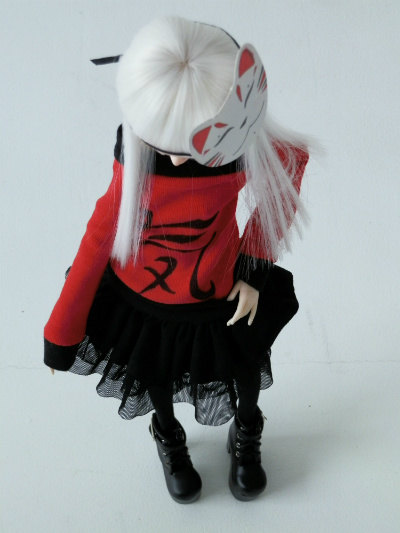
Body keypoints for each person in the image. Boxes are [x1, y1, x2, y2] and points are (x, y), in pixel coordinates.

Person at [43, 16, 311, 503]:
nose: (180, 160)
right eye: (166, 145)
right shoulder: (135, 159)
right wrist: (61, 331)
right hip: (145, 296)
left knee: (244, 372)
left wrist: (254, 265)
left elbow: (289, 163)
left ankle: (246, 428)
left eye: (196, 145)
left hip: (220, 287)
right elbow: (101, 232)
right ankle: (168, 436)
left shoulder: (239, 148)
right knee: (156, 377)